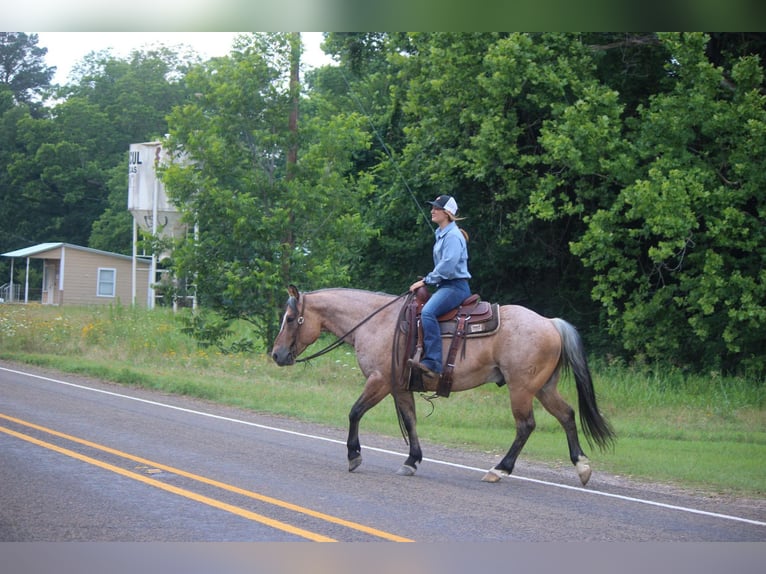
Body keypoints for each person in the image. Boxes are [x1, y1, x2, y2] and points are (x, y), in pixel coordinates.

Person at [408, 194, 471, 379]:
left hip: (455, 287)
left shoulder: (452, 236)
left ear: (447, 212)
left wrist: (426, 280)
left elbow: (448, 265)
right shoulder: (443, 234)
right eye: (433, 207)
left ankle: (433, 363)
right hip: (446, 285)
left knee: (427, 312)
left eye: (437, 208)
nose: (432, 211)